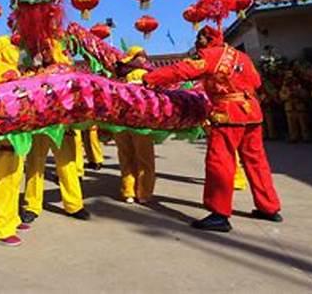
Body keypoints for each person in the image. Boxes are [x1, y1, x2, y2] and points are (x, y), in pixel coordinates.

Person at [144, 26, 282, 232]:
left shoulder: (210, 55)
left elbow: (181, 70)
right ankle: (269, 207)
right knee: (256, 162)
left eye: (199, 38)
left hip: (228, 114)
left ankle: (219, 213)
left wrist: (150, 79)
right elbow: (256, 81)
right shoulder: (241, 56)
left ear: (207, 39)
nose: (196, 42)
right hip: (252, 113)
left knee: (220, 162)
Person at [22, 39, 89, 224]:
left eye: (46, 50)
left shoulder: (66, 71)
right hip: (39, 126)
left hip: (61, 125)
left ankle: (74, 205)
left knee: (67, 164)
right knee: (35, 165)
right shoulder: (30, 72)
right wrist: (33, 71)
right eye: (40, 50)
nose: (43, 53)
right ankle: (32, 206)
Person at [0, 36, 30, 247]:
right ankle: (0, 228)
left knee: (15, 176)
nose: (16, 50)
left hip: (16, 131)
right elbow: (9, 95)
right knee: (5, 180)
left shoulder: (9, 67)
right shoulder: (0, 66)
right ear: (3, 49)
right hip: (5, 132)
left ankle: (12, 218)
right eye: (13, 46)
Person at [113, 46, 156, 204]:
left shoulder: (117, 75)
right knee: (145, 159)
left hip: (120, 122)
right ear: (133, 58)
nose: (144, 59)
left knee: (125, 157)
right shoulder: (143, 74)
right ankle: (143, 193)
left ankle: (128, 191)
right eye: (141, 56)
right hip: (140, 122)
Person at [278, 68, 312, 143]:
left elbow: (305, 94)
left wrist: (298, 93)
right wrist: (288, 95)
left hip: (299, 107)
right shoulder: (284, 87)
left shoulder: (299, 85)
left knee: (303, 123)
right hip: (289, 107)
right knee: (291, 124)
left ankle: (306, 137)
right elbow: (281, 96)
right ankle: (294, 137)